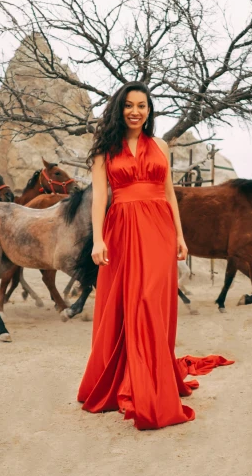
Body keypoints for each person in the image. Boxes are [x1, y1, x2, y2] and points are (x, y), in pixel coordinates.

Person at [77, 82, 233, 430]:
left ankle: (148, 379)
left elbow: (168, 195)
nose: (136, 111)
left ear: (150, 111)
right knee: (125, 303)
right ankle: (128, 380)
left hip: (159, 231)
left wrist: (179, 235)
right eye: (129, 105)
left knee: (151, 302)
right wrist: (98, 240)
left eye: (142, 106)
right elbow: (101, 199)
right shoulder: (105, 150)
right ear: (120, 109)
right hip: (122, 231)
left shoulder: (160, 145)